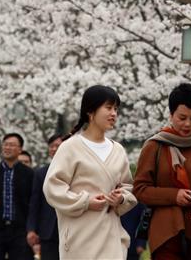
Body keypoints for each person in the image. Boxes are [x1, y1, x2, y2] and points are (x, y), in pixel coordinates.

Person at [43, 85, 137, 260]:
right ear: (90, 111)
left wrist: (121, 198)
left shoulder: (118, 150)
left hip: (111, 235)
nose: (114, 113)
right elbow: (52, 188)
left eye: (116, 109)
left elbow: (128, 186)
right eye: (108, 108)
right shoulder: (70, 147)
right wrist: (85, 201)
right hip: (80, 237)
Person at [133, 83, 191, 260]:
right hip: (165, 236)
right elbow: (140, 189)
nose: (187, 124)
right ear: (171, 115)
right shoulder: (154, 147)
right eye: (182, 117)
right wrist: (174, 196)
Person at [26, 134, 63, 260]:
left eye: (57, 146)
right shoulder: (40, 173)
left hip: (71, 229)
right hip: (48, 231)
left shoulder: (77, 170)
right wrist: (31, 229)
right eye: (51, 146)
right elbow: (35, 203)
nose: (54, 149)